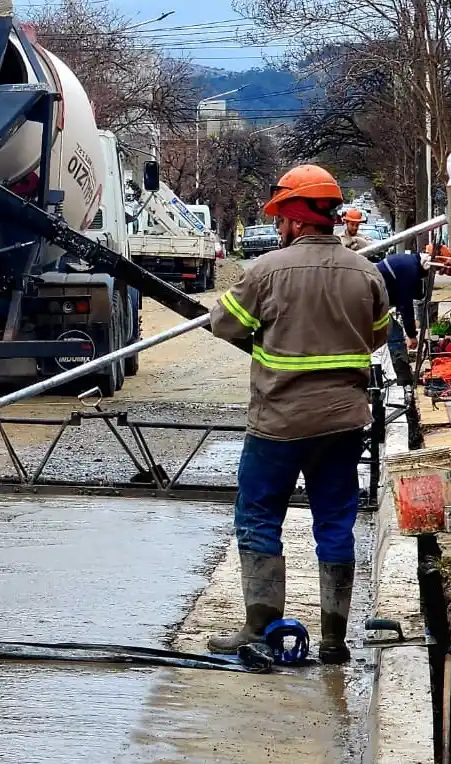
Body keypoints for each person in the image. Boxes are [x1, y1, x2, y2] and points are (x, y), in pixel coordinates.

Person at [207, 164, 390, 665]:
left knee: (259, 516)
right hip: (343, 423)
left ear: (292, 217)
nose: (279, 225)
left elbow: (224, 324)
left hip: (278, 425)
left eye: (281, 216)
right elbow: (377, 337)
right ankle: (334, 639)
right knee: (336, 521)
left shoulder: (267, 271)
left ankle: (259, 628)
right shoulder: (367, 273)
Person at [375, 250, 436, 385]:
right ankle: (404, 379)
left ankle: (402, 376)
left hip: (372, 297)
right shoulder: (411, 270)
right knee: (395, 334)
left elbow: (397, 293)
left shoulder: (409, 261)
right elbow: (405, 304)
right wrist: (411, 335)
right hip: (369, 300)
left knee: (392, 331)